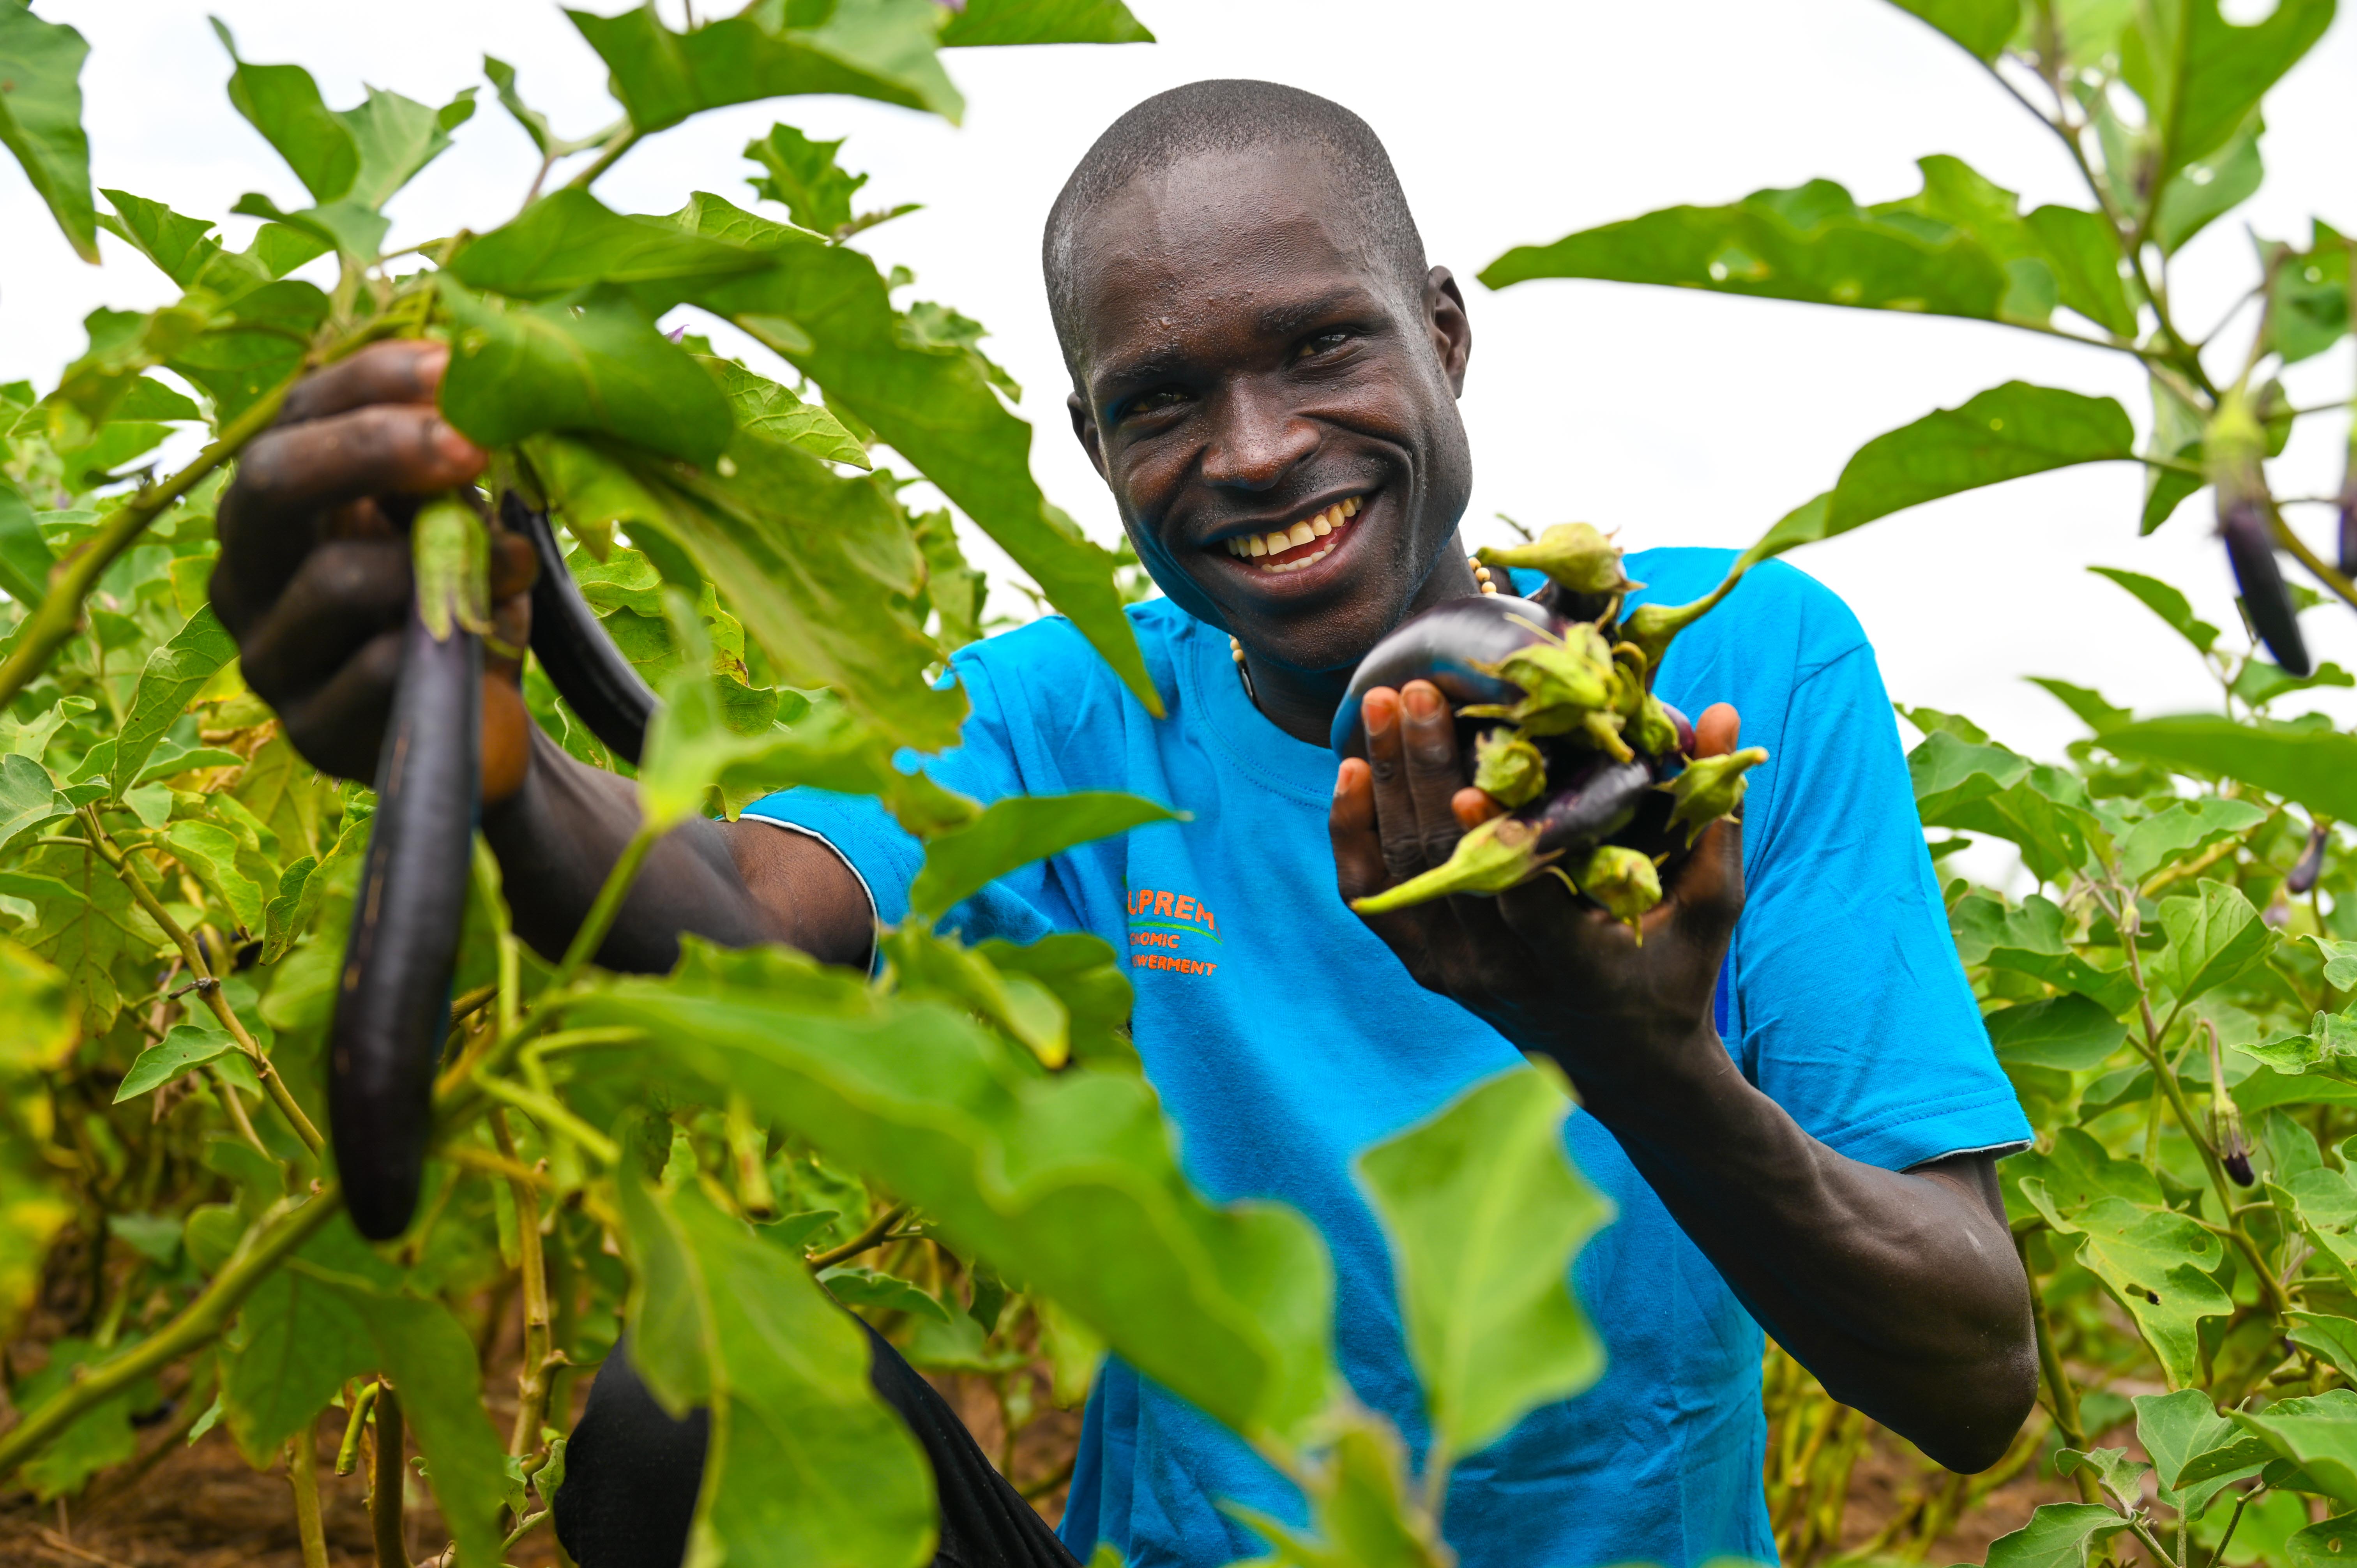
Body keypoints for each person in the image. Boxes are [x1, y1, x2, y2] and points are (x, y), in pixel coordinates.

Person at [209, 78, 2037, 1568]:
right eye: (1162, 400)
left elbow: (1970, 1372)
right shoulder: (1065, 711)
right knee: (687, 1408)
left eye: (1323, 344)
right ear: (1094, 447)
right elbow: (736, 909)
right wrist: (481, 733)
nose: (1250, 449)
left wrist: (1630, 1052)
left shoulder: (1730, 679)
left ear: (1446, 336)